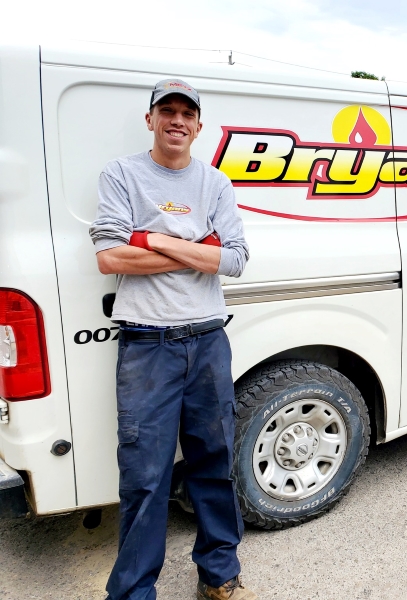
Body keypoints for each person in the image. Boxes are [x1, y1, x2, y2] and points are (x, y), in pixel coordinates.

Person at [89, 79, 256, 600]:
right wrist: (194, 244)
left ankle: (220, 576)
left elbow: (234, 259)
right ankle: (135, 593)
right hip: (147, 346)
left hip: (208, 340)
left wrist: (152, 238)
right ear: (151, 119)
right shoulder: (121, 174)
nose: (177, 120)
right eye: (168, 111)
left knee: (214, 462)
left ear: (199, 125)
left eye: (187, 113)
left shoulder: (216, 183)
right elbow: (110, 257)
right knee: (145, 477)